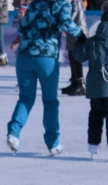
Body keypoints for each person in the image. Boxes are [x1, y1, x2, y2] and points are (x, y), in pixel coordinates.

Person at [6, 0, 85, 156]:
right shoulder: (60, 3)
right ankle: (53, 143)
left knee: (25, 99)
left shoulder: (35, 3)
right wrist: (81, 36)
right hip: (46, 57)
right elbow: (66, 22)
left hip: (24, 57)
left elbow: (22, 27)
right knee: (50, 100)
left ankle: (13, 133)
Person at [73, 2, 108, 158]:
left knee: (95, 115)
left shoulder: (92, 40)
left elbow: (79, 56)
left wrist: (79, 42)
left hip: (95, 87)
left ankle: (93, 146)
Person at [61, 0, 88, 96]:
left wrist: (65, 24)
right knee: (71, 55)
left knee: (76, 56)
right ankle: (74, 81)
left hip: (78, 30)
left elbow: (74, 12)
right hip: (72, 30)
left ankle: (80, 83)